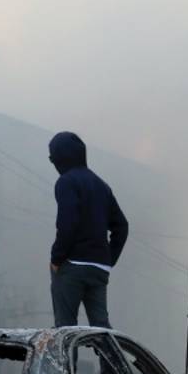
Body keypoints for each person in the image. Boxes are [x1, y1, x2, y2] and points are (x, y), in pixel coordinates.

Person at [48, 131, 129, 329]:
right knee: (101, 329)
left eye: (53, 158)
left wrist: (57, 259)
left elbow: (67, 223)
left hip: (73, 265)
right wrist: (108, 260)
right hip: (99, 269)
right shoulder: (102, 186)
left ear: (59, 158)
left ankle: (65, 362)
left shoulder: (66, 182)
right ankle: (111, 360)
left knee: (65, 330)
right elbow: (122, 226)